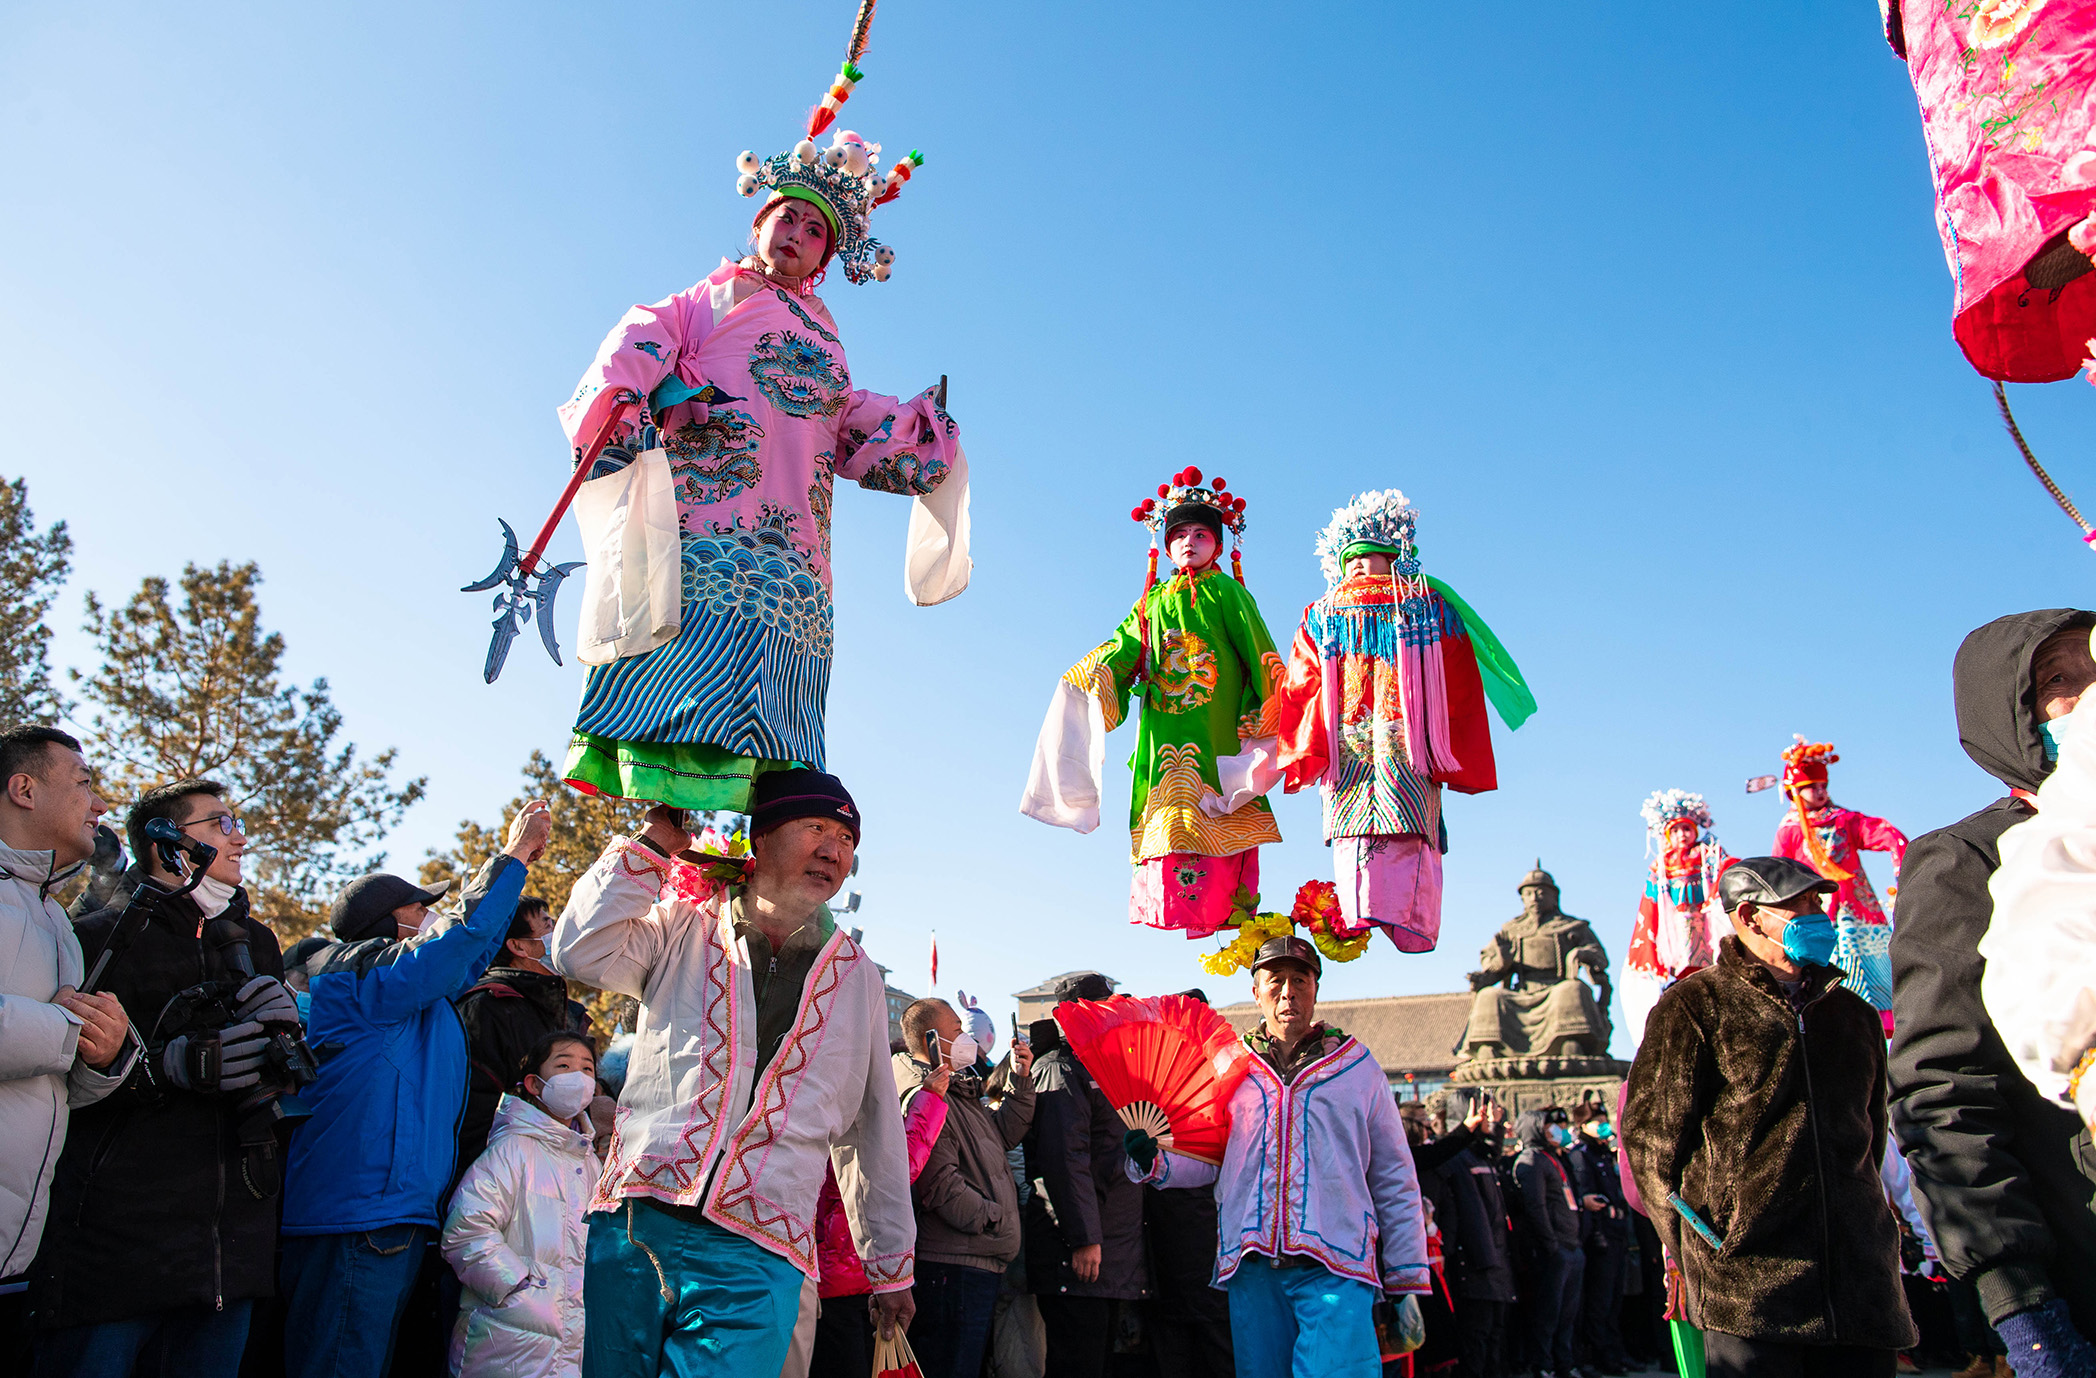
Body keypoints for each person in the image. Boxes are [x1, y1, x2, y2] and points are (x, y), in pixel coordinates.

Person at [553, 43, 965, 815]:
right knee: (681, 679)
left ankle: (756, 830)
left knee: (773, 702)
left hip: (797, 548)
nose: (798, 233)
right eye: (787, 217)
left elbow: (841, 422)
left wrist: (916, 431)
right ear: (758, 223)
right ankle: (665, 827)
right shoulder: (708, 299)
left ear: (827, 252)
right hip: (707, 515)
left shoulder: (829, 336)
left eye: (815, 229)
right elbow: (637, 341)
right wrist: (645, 396)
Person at [550, 769, 917, 1377]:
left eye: (848, 839)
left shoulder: (859, 978)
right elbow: (580, 950)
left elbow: (873, 1127)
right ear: (763, 836)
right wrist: (652, 844)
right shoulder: (682, 924)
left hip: (761, 1247)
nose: (834, 849)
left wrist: (890, 1264)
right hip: (637, 1224)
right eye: (816, 828)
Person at [278, 800, 551, 1378]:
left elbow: (468, 952)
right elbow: (454, 947)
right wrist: (513, 856)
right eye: (419, 908)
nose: (430, 916)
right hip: (356, 1219)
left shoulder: (408, 995)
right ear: (389, 923)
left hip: (390, 1217)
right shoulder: (359, 975)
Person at [34, 779, 297, 1377]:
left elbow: (276, 1080)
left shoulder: (254, 940)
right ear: (168, 842)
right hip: (116, 1252)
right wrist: (167, 1066)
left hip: (230, 1253)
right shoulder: (101, 935)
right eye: (221, 823)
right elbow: (60, 1069)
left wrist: (284, 1042)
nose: (240, 837)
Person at [1624, 856, 1917, 1377]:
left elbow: (1873, 1134)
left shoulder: (1855, 1014)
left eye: (1819, 901)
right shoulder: (1694, 1005)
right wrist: (1708, 1245)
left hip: (1859, 1279)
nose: (1818, 912)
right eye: (1801, 903)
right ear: (1750, 916)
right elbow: (1651, 1143)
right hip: (1750, 1286)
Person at [1898, 609, 2096, 1378]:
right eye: (2058, 682)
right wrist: (2025, 1311)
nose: (2090, 695)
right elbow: (1943, 1095)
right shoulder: (1967, 859)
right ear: (2008, 717)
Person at [1125, 936, 1430, 1378]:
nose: (1288, 992)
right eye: (1276, 981)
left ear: (1315, 990)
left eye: (1300, 981)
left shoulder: (1358, 1068)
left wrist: (1405, 1275)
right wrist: (1156, 1159)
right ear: (1256, 991)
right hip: (1252, 1266)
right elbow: (1213, 1157)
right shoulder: (1232, 1067)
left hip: (1336, 1262)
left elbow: (1394, 1176)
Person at [1022, 469, 1287, 936]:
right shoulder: (1152, 602)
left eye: (1201, 533)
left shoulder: (1228, 593)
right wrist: (1092, 673)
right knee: (1172, 822)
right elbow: (1126, 647)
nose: (1189, 541)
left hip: (1217, 731)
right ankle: (1180, 909)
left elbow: (1260, 651)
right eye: (1179, 533)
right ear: (1164, 547)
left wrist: (1269, 709)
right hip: (1165, 737)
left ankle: (1227, 913)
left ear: (1219, 546)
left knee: (1219, 807)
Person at [1270, 489, 1534, 953]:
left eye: (1371, 555)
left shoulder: (1424, 604)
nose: (1359, 565)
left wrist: (1443, 739)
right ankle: (1361, 910)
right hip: (1349, 747)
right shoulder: (1321, 614)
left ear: (1397, 557)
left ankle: (1406, 917)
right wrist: (1305, 742)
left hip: (1405, 740)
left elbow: (1456, 673)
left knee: (1408, 822)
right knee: (1354, 832)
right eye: (1350, 557)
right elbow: (1302, 681)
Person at [0, 728, 131, 1362]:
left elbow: (57, 1082)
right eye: (82, 782)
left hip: (19, 1261)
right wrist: (65, 1031)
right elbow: (52, 1034)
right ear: (23, 789)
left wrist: (105, 1056)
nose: (100, 804)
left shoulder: (57, 921)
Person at [441, 1029, 602, 1378]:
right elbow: (465, 1230)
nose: (578, 1076)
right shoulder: (513, 1149)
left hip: (568, 1340)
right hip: (505, 1336)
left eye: (587, 1068)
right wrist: (516, 1288)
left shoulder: (590, 1160)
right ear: (534, 1084)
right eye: (564, 1065)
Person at [895, 997, 1036, 1378]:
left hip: (975, 1260)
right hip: (954, 1265)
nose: (964, 1037)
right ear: (931, 1039)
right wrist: (993, 1218)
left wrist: (1021, 1082)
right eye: (956, 1029)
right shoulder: (927, 1096)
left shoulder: (957, 1088)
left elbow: (1002, 1133)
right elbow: (939, 1185)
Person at [1022, 973, 1151, 1378]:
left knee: (1098, 1362)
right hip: (1078, 1255)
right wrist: (1084, 1238)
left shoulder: (1107, 1066)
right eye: (1100, 1010)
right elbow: (1064, 1159)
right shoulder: (1061, 1068)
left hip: (1110, 1248)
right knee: (1077, 1362)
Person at [809, 1069, 950, 1378]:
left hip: (854, 1275)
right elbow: (892, 1169)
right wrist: (928, 1100)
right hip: (842, 1278)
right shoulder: (839, 1113)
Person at [1770, 737, 1908, 1028]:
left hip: (1856, 910)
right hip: (1814, 912)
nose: (1820, 792)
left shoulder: (1844, 820)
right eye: (1812, 787)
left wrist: (1903, 860)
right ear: (1794, 790)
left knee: (1871, 969)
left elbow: (1881, 832)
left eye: (1823, 786)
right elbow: (1780, 872)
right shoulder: (1790, 830)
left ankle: (1880, 1029)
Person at [455, 895, 593, 1174]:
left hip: (568, 1167)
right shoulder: (488, 1006)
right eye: (547, 924)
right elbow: (474, 1108)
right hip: (508, 1173)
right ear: (517, 946)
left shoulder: (568, 1013)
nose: (557, 930)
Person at [1419, 1096, 1514, 1378]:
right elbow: (1457, 1213)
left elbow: (1489, 1153)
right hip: (1473, 1266)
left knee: (1494, 1336)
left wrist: (1493, 1129)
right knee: (1476, 1340)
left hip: (1495, 1261)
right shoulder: (1455, 1159)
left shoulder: (1476, 1156)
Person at [1623, 789, 1724, 1048]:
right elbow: (1651, 903)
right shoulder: (1661, 864)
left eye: (1687, 829)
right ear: (1667, 834)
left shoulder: (1706, 854)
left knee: (1708, 958)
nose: (1683, 835)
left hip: (1705, 917)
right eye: (1676, 830)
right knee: (1684, 961)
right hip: (1675, 925)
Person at [1511, 1106, 1585, 1378]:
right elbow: (1536, 1207)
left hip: (1572, 1246)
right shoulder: (1530, 1161)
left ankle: (1565, 1363)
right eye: (1547, 1126)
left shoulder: (1553, 1158)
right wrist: (1551, 1245)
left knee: (1568, 1314)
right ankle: (1543, 1365)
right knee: (1548, 1314)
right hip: (1554, 1251)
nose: (1555, 1130)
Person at [1568, 1103, 1633, 1376]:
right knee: (1600, 1301)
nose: (1604, 1126)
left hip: (1617, 1234)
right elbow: (1588, 1196)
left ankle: (1616, 1352)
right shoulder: (1582, 1155)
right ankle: (1601, 1355)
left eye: (1606, 1121)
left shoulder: (1605, 1153)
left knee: (1616, 1300)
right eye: (1598, 1122)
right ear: (1583, 1125)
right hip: (1600, 1237)